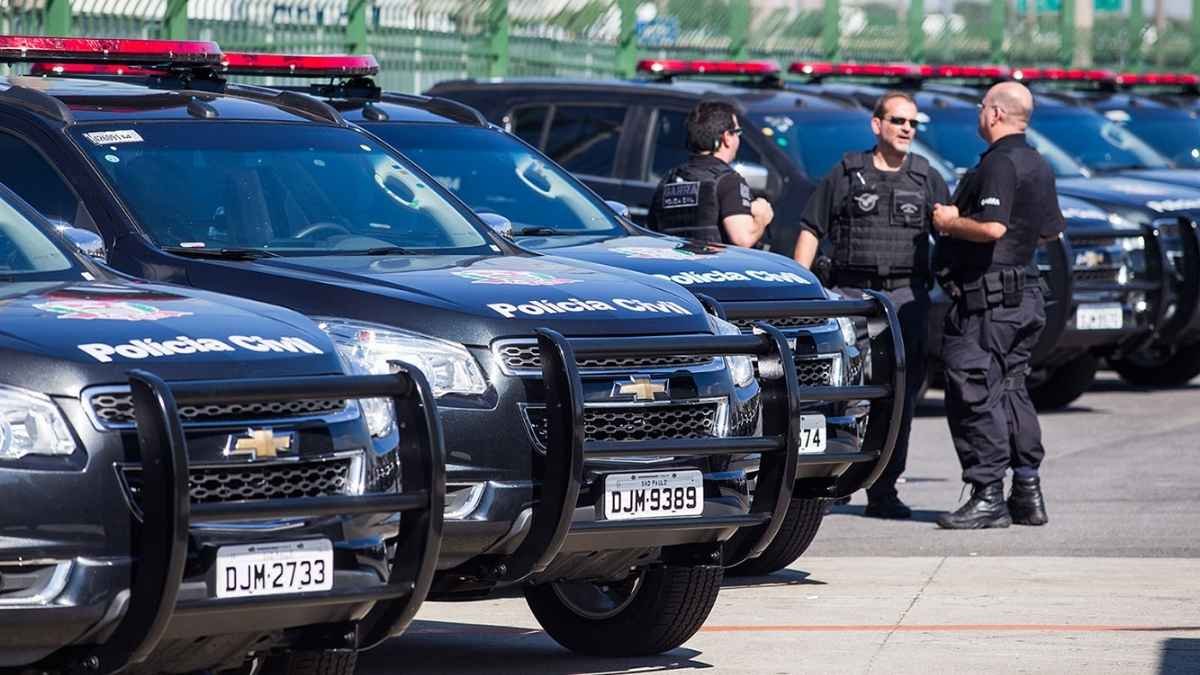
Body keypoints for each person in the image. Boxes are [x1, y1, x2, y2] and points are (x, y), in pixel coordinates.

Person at [793, 91, 950, 519]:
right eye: (898, 120)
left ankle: (884, 490)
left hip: (906, 298)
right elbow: (811, 229)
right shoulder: (846, 173)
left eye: (913, 124)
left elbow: (949, 233)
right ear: (876, 124)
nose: (906, 130)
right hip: (851, 297)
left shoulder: (926, 177)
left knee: (900, 398)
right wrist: (798, 294)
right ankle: (832, 484)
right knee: (842, 395)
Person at [931, 81, 1064, 529]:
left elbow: (992, 229)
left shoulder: (1000, 163)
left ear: (994, 114)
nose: (978, 113)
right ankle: (1027, 491)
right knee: (1012, 389)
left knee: (974, 392)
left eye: (980, 105)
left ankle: (988, 495)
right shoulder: (1038, 162)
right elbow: (1048, 232)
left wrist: (950, 223)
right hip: (1023, 296)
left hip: (989, 304)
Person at [647, 100, 774, 246]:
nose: (739, 139)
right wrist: (762, 217)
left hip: (674, 267)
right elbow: (743, 239)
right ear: (727, 137)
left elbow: (652, 235)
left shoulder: (668, 180)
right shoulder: (728, 181)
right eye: (737, 132)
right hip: (715, 266)